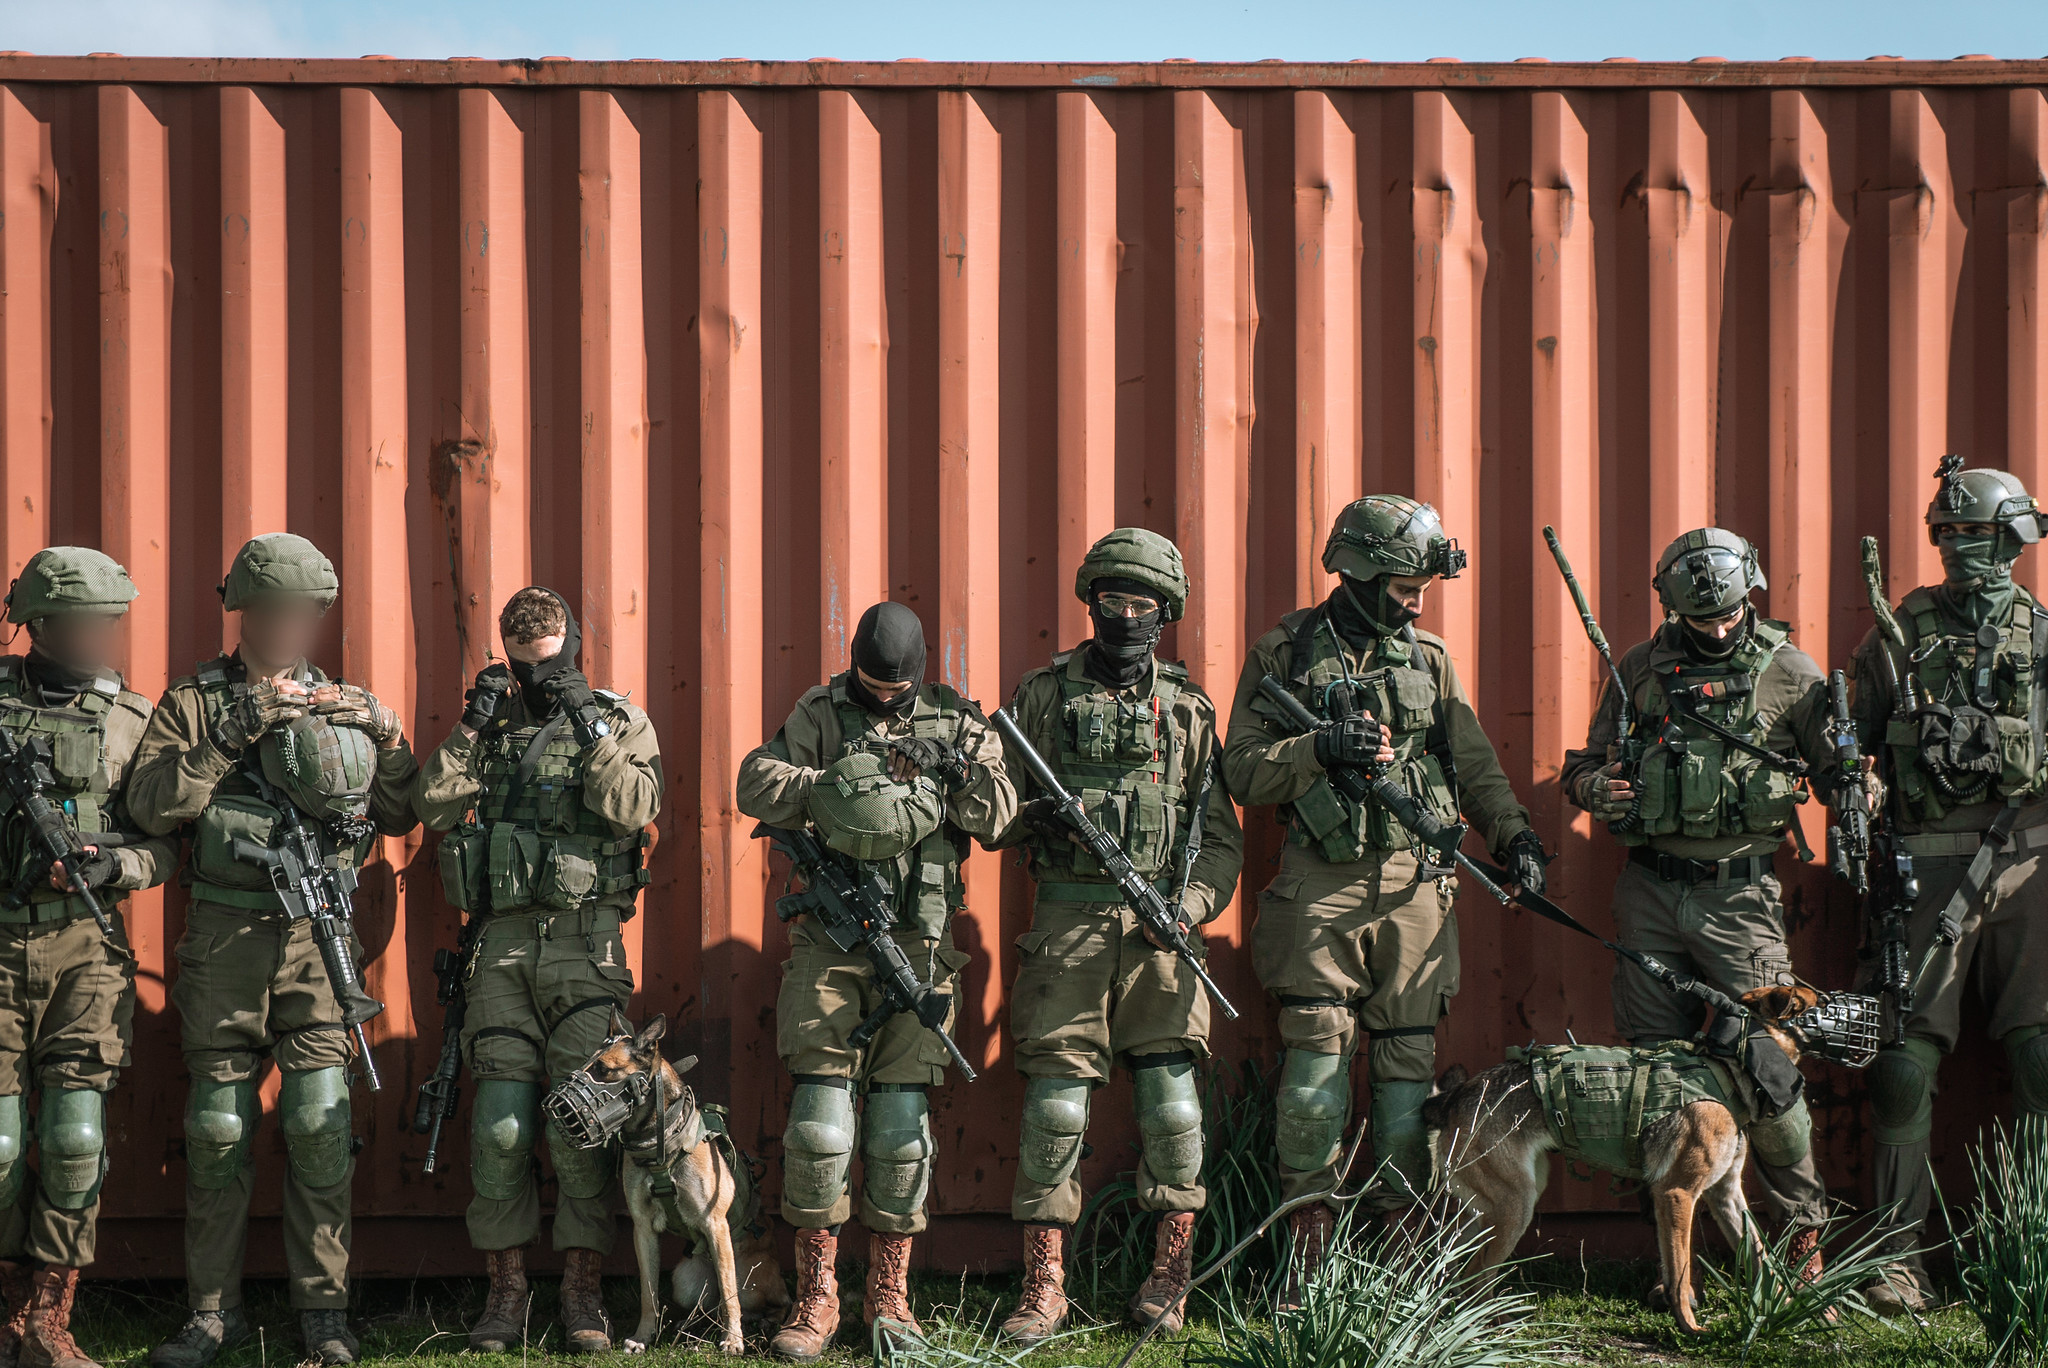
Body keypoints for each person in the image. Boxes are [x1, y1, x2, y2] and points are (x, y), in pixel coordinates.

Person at [1222, 495, 1544, 1289]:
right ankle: (1309, 1254)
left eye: (1422, 586)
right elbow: (1241, 769)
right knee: (1313, 1071)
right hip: (1318, 886)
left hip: (1414, 887)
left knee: (1407, 1075)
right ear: (1360, 572)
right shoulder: (1285, 652)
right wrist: (1318, 746)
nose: (1418, 600)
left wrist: (1516, 837)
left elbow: (1473, 766)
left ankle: (1399, 1258)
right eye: (1405, 585)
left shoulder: (1429, 660)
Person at [129, 534, 417, 1368]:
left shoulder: (342, 701)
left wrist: (387, 733)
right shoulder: (192, 701)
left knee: (320, 1121)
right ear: (246, 612)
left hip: (315, 936)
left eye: (310, 614)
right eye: (282, 611)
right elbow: (150, 805)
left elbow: (398, 813)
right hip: (225, 933)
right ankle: (208, 1315)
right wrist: (230, 734)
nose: (296, 627)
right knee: (219, 1126)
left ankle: (325, 1318)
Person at [1559, 528, 1840, 1285]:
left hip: (1740, 896)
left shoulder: (1789, 673)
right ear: (1671, 606)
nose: (1717, 630)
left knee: (1769, 1069)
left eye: (1728, 616)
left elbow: (1837, 771)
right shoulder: (1640, 671)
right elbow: (1583, 767)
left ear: (1751, 592)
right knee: (1659, 1070)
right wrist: (1596, 789)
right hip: (1648, 891)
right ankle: (1674, 1264)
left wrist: (1860, 782)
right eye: (1700, 620)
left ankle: (1803, 1248)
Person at [737, 602, 1015, 1359]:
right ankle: (817, 1295)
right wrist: (838, 785)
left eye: (896, 689)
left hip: (920, 947)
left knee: (899, 1135)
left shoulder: (959, 720)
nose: (883, 699)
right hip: (829, 946)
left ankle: (890, 1297)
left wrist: (950, 767)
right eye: (870, 685)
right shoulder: (819, 710)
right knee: (820, 1128)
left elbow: (1000, 815)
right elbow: (755, 782)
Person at [993, 529, 1244, 1344]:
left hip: (1162, 930)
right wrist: (1031, 810)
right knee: (1056, 1109)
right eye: (1114, 599)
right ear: (1090, 600)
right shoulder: (1040, 697)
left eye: (1144, 604)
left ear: (1165, 614)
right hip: (1066, 921)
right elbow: (991, 813)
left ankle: (1170, 1279)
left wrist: (1193, 905)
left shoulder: (1189, 711)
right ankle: (1045, 1285)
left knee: (1173, 1111)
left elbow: (1218, 838)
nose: (1127, 615)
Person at [412, 587, 663, 1356]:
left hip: (586, 948)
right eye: (525, 668)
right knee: (500, 1127)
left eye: (552, 666)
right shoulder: (488, 725)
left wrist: (586, 721)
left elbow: (636, 805)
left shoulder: (615, 718)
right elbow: (430, 802)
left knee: (583, 1124)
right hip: (501, 949)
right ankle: (507, 1292)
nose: (538, 681)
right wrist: (472, 724)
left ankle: (583, 1293)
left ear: (574, 649)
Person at [1848, 463, 2048, 1314]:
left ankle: (2031, 1242)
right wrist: (1854, 791)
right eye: (1952, 533)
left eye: (1982, 534)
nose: (1966, 548)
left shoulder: (2042, 637)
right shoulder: (1895, 637)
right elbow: (1846, 750)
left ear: (2015, 540)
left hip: (2030, 867)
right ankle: (1897, 1257)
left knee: (2043, 1060)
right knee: (1899, 1068)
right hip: (1925, 872)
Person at [0, 549, 175, 1368]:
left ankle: (49, 1320)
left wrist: (119, 866)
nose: (105, 635)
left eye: (112, 621)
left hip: (87, 945)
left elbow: (167, 844)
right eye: (89, 622)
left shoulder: (132, 719)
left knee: (74, 1135)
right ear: (40, 625)